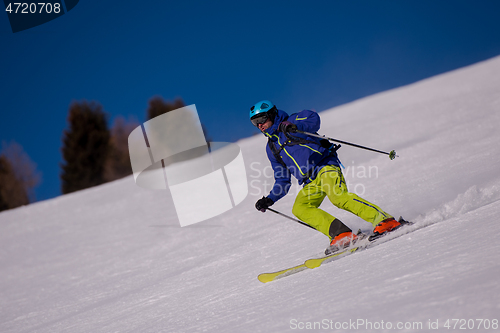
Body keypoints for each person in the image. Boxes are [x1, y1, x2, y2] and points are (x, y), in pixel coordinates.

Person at [250, 100, 402, 254]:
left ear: (272, 114)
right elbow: (282, 179)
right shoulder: (272, 148)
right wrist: (270, 199)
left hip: (325, 165)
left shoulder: (293, 120)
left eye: (261, 119)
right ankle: (342, 234)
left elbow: (313, 118)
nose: (260, 125)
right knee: (300, 208)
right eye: (255, 122)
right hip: (309, 181)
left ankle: (385, 221)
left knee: (338, 197)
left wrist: (292, 126)